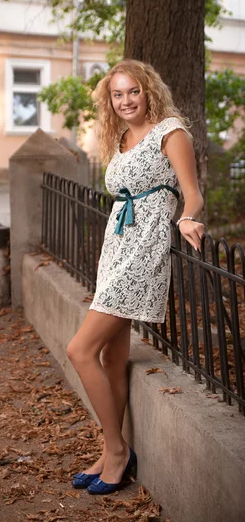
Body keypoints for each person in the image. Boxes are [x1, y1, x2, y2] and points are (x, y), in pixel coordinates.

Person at [66, 59, 205, 495]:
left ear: (149, 92)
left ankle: (117, 449)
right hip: (117, 247)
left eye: (133, 92)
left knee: (80, 349)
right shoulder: (122, 137)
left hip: (144, 252)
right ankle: (110, 453)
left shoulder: (171, 132)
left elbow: (192, 193)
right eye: (117, 94)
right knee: (110, 356)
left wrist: (188, 219)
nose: (126, 101)